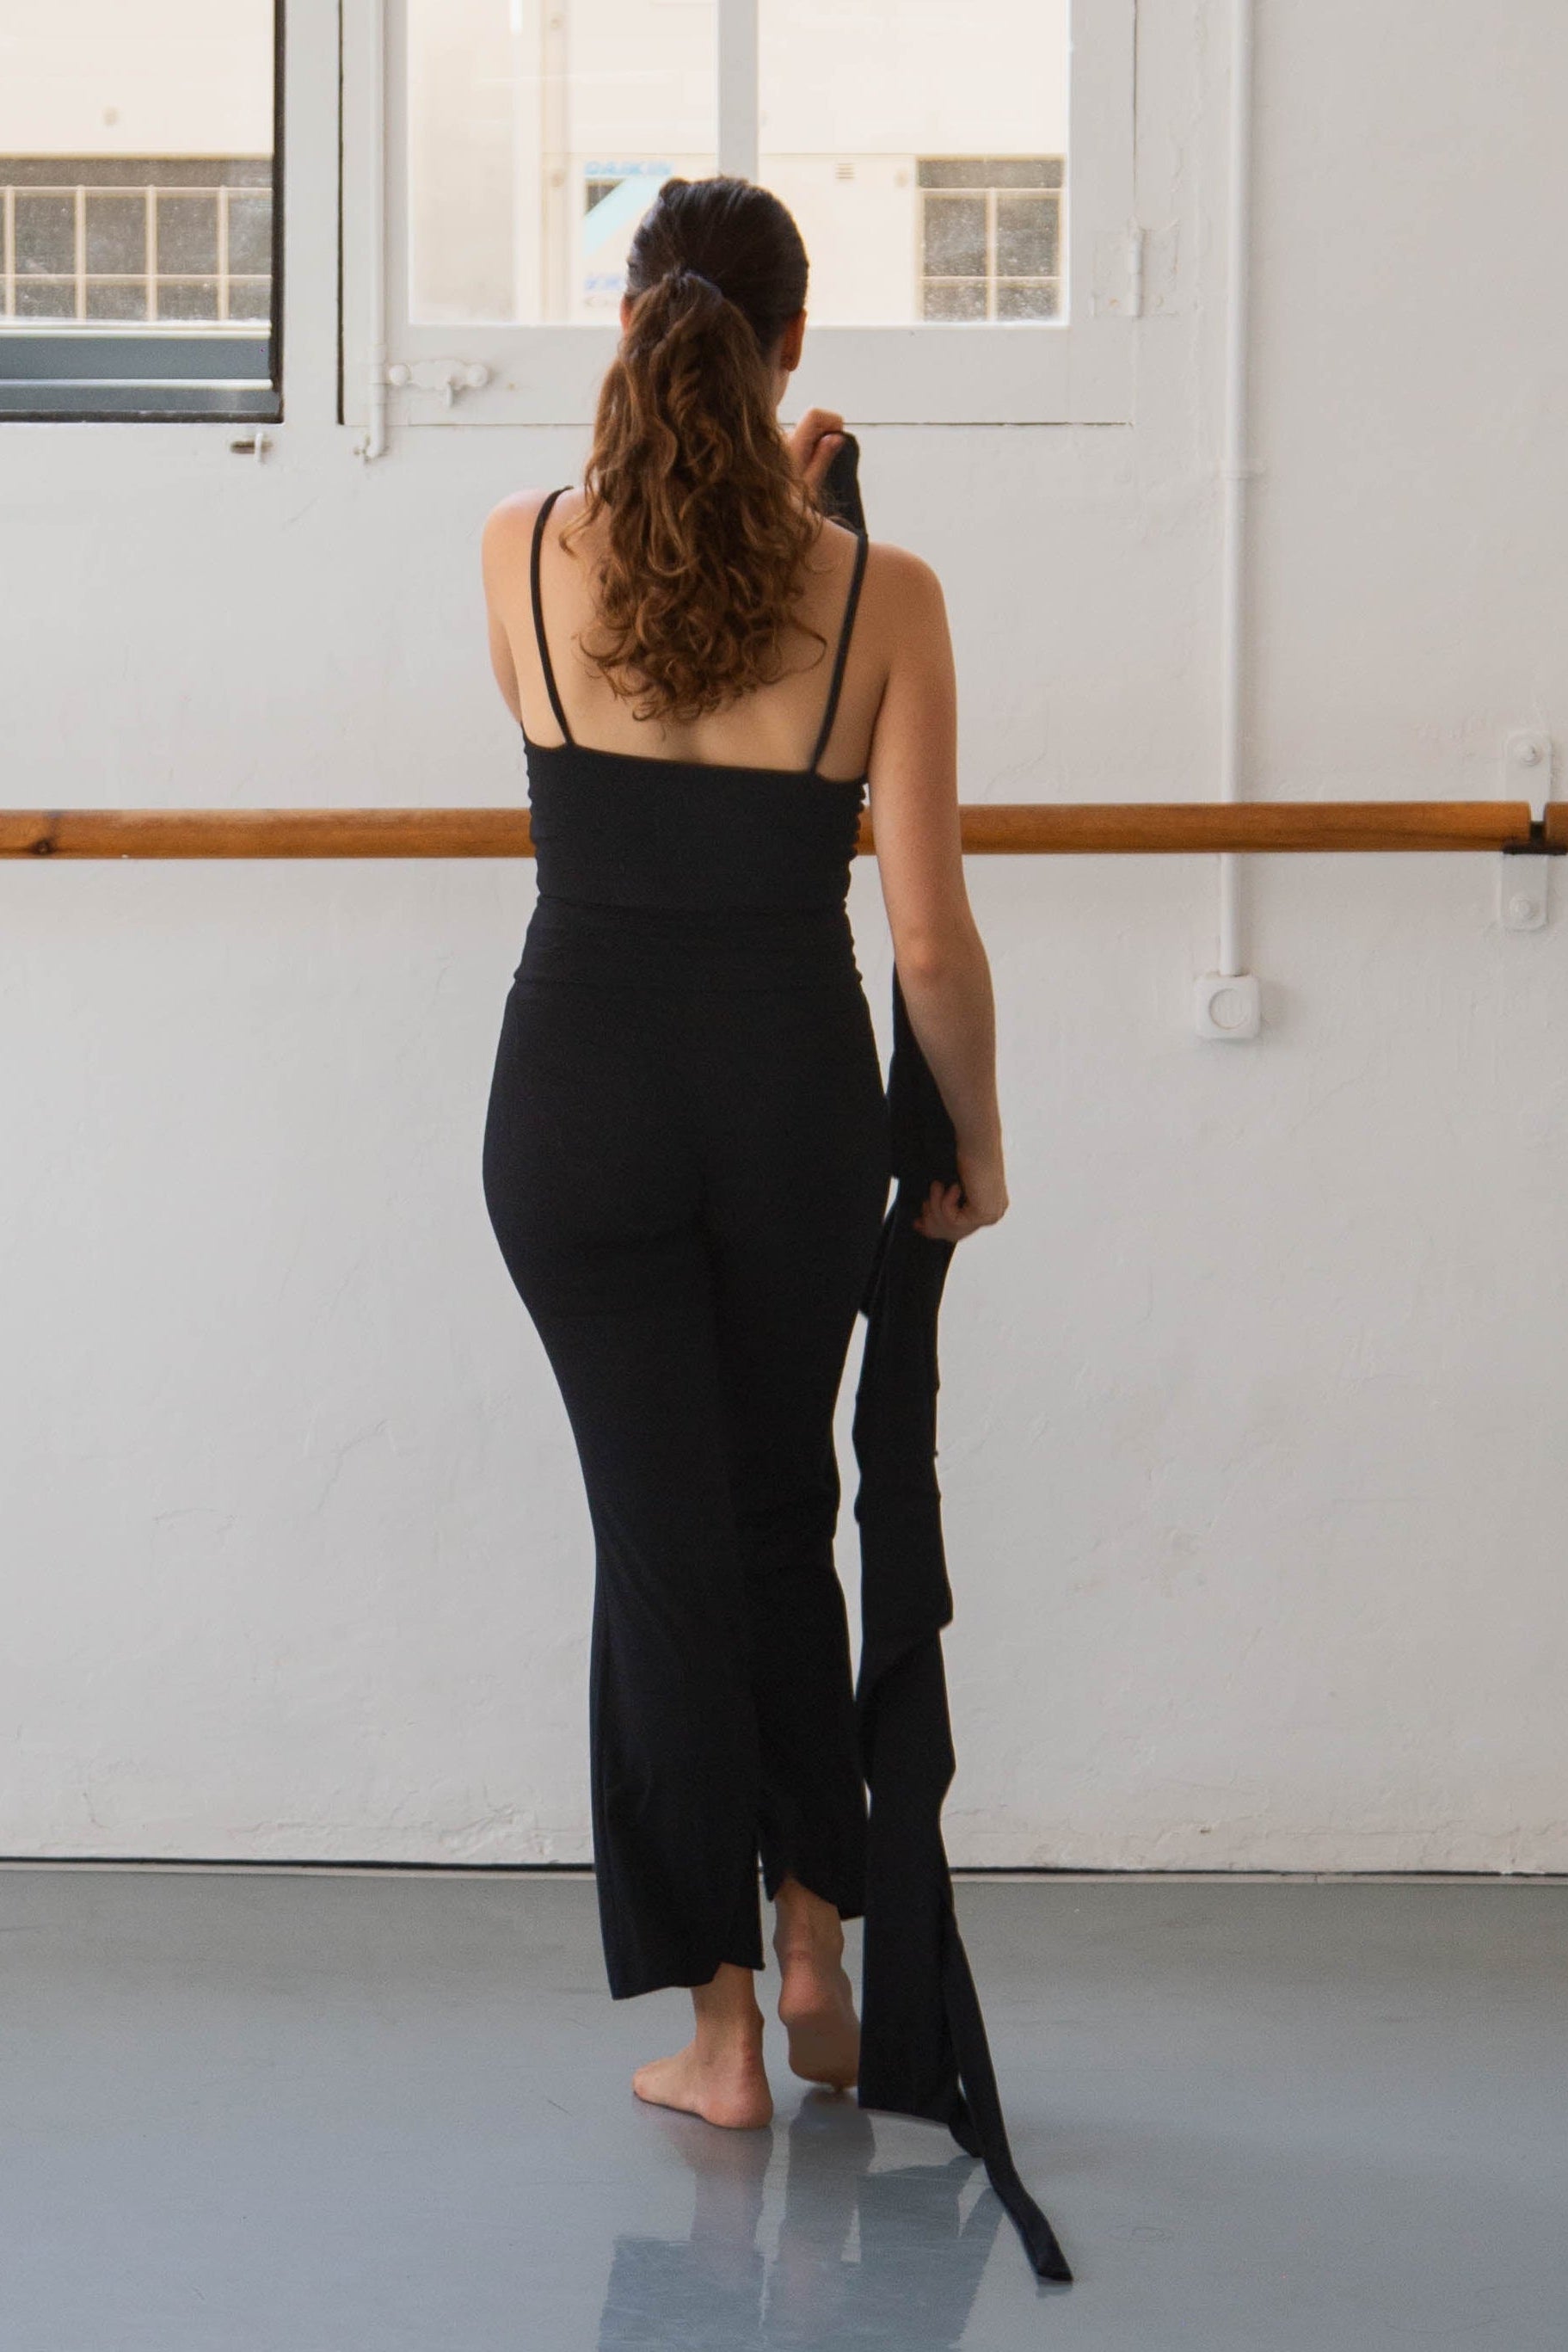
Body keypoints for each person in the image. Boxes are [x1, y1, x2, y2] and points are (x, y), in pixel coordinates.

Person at [479, 174, 1008, 2133]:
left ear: (630, 335)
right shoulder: (892, 594)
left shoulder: (519, 558)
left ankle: (714, 2040)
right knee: (782, 1514)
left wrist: (746, 461)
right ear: (795, 347)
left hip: (580, 1107)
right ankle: (815, 1954)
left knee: (664, 1551)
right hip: (793, 1107)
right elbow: (934, 938)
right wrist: (978, 1139)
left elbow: (664, 599)